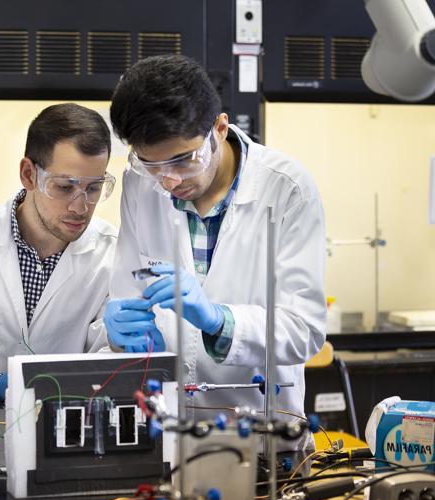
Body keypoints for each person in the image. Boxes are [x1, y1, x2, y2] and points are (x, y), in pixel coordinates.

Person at [104, 55, 326, 451]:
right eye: (149, 163)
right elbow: (127, 290)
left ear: (220, 129)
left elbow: (305, 329)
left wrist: (218, 321)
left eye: (183, 160)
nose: (168, 180)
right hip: (167, 436)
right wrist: (123, 331)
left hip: (264, 442)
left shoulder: (286, 188)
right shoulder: (140, 184)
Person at [0, 103, 118, 467]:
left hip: (65, 453)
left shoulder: (112, 255)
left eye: (95, 188)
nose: (81, 207)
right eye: (65, 187)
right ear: (28, 174)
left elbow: (106, 366)